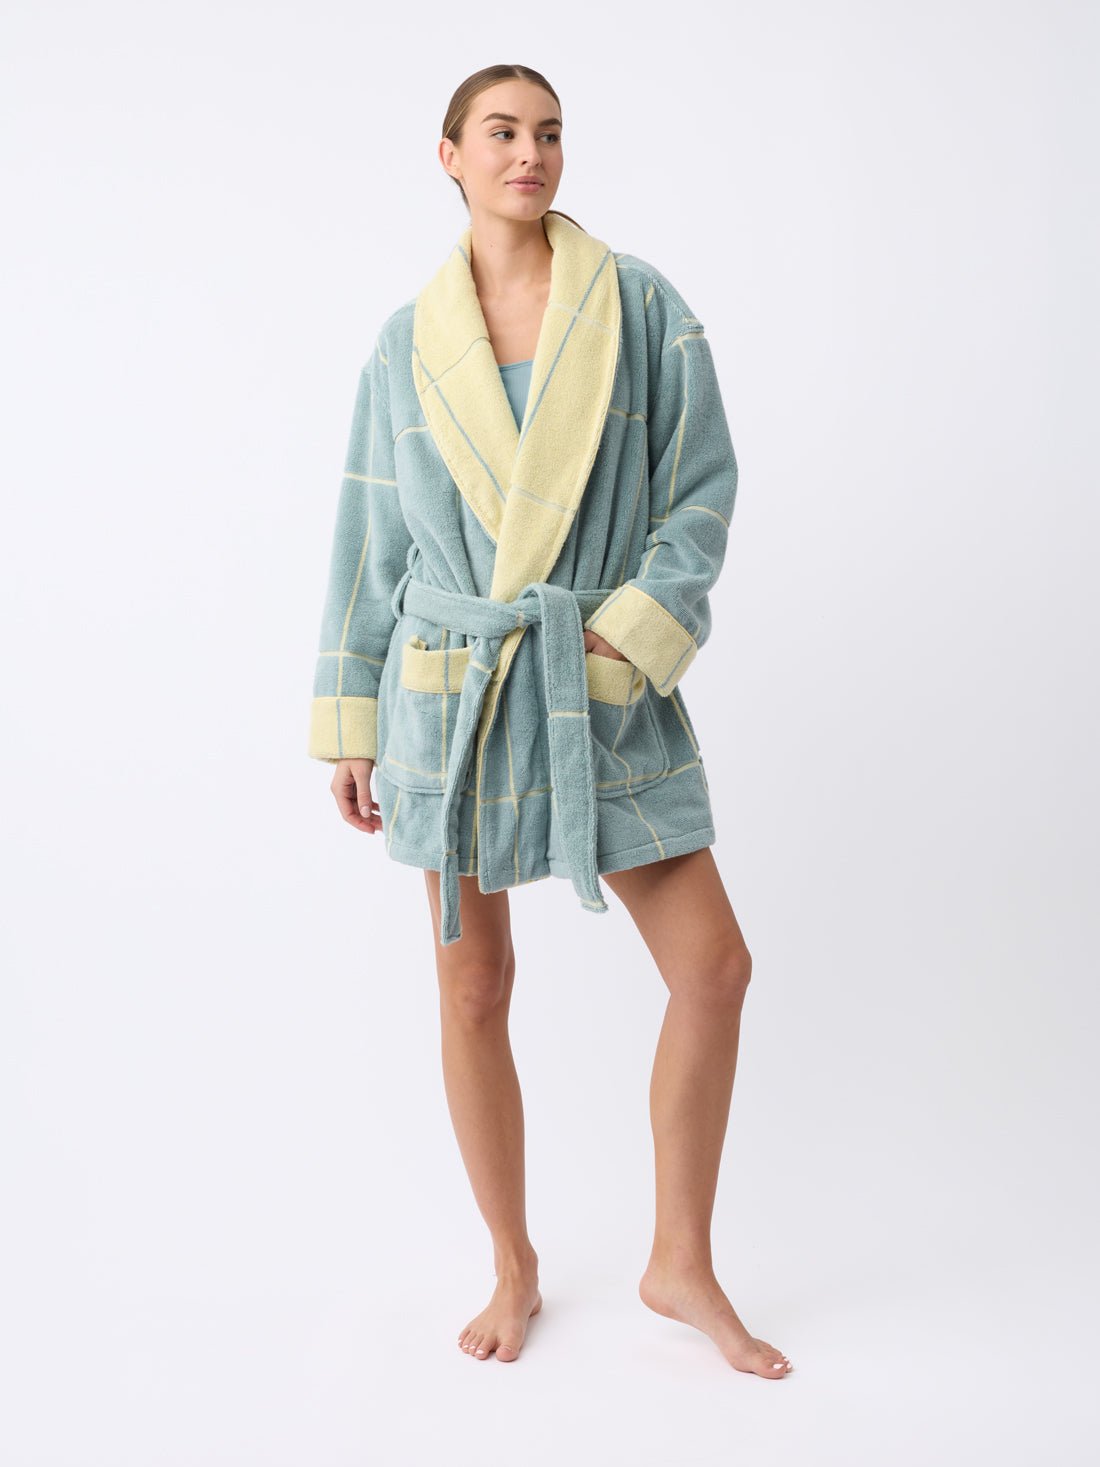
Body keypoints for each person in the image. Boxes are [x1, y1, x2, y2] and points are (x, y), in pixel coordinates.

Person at [307, 63, 791, 1378]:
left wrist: (632, 630)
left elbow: (701, 487)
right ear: (450, 155)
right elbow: (370, 534)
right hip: (450, 693)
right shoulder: (405, 344)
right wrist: (351, 716)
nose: (530, 154)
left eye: (550, 133)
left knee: (713, 968)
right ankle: (512, 1263)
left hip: (593, 685)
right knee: (475, 985)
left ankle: (679, 1262)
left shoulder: (639, 306)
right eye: (503, 132)